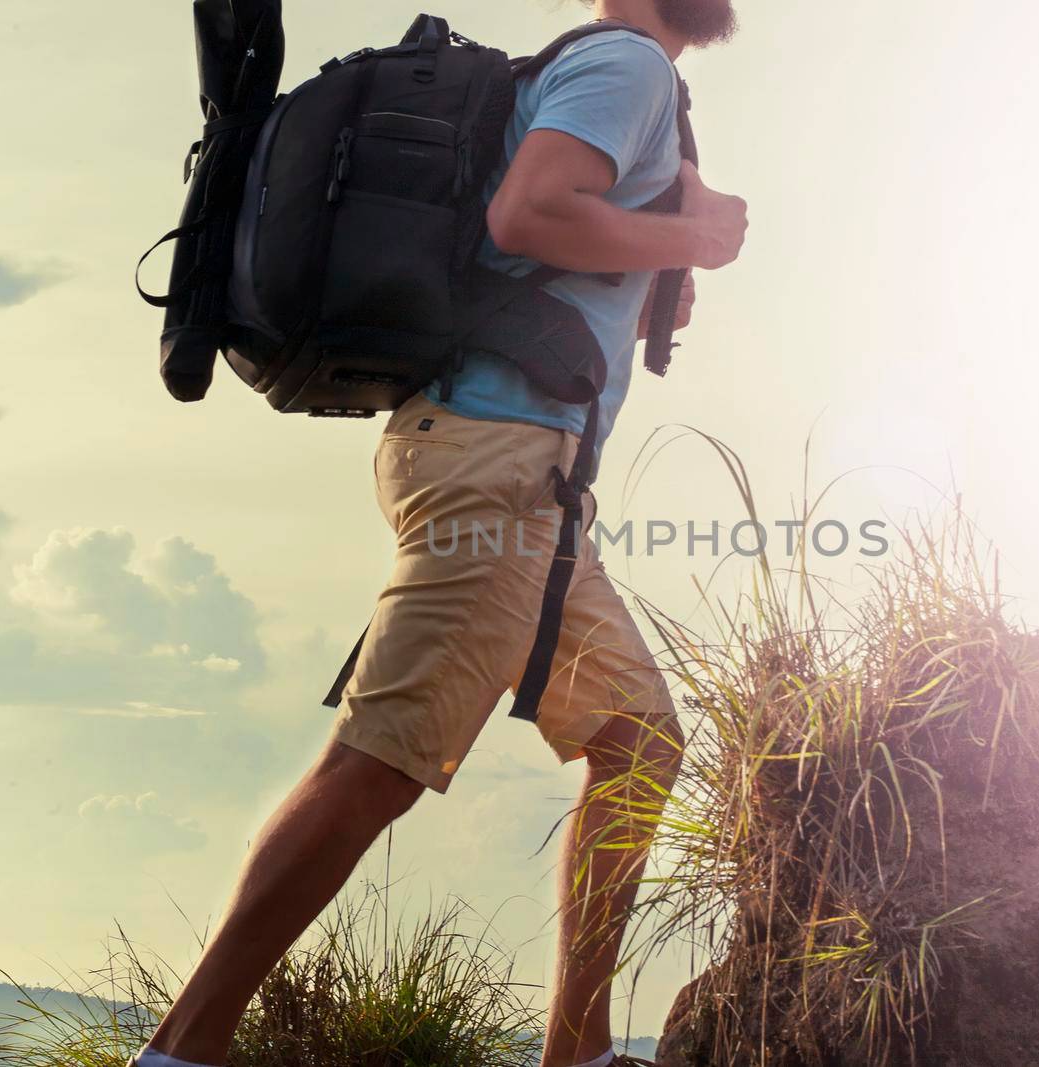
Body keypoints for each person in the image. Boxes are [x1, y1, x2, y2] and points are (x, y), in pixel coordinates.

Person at [132, 1, 747, 1065]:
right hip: (499, 465)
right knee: (379, 760)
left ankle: (579, 1050)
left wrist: (658, 267)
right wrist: (696, 238)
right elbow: (530, 213)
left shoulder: (613, 73)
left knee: (636, 740)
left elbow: (539, 242)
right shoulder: (627, 66)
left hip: (526, 477)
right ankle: (182, 1051)